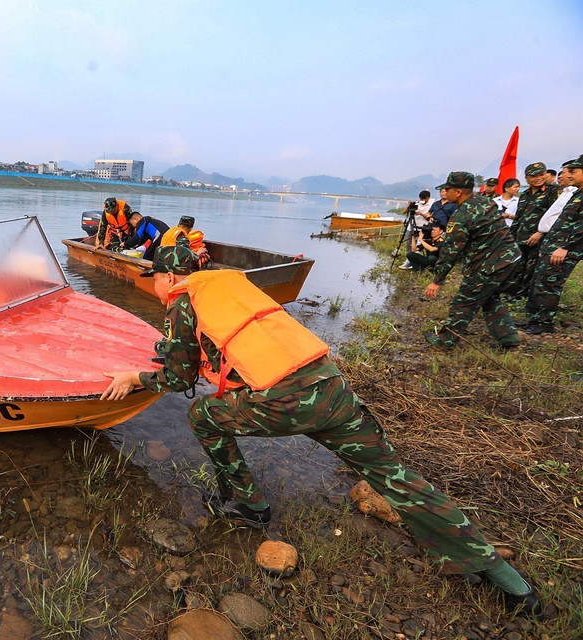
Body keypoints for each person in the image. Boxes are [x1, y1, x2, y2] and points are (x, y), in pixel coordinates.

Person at [100, 245, 542, 618]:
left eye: (151, 278)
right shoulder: (230, 285)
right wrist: (171, 349)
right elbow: (225, 343)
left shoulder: (182, 299)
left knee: (202, 415)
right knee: (397, 478)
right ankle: (508, 582)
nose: (152, 286)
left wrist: (134, 378)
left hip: (288, 402)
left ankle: (250, 505)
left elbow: (179, 380)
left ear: (166, 276)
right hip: (334, 388)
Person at [423, 172, 520, 350]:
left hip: (489, 264)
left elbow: (451, 251)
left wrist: (437, 280)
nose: (445, 192)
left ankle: (445, 341)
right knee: (489, 297)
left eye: (447, 189)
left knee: (463, 302)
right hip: (510, 258)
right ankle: (508, 338)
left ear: (458, 192)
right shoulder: (485, 202)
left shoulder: (462, 216)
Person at [524, 155, 583, 334]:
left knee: (550, 284)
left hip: (564, 249)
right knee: (539, 282)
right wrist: (547, 247)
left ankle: (544, 323)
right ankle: (534, 319)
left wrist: (565, 248)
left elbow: (580, 228)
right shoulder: (577, 194)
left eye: (573, 172)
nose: (569, 175)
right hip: (553, 246)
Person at [507, 162, 559, 297]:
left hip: (538, 239)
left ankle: (528, 296)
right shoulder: (524, 195)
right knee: (518, 267)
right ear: (526, 178)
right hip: (520, 238)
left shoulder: (553, 191)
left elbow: (555, 216)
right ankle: (515, 295)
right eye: (533, 176)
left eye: (541, 175)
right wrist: (511, 238)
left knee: (533, 269)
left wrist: (540, 233)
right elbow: (518, 218)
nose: (538, 178)